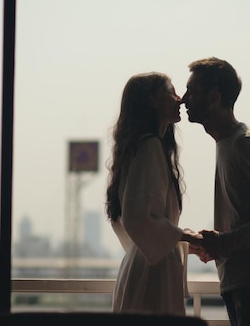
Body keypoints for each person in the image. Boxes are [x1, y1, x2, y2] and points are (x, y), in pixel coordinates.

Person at [182, 57, 250, 326]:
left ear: (214, 98)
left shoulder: (244, 143)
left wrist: (226, 243)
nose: (183, 99)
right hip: (245, 282)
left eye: (192, 91)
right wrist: (217, 244)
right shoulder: (228, 142)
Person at [105, 71, 202, 316]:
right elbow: (137, 217)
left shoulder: (141, 147)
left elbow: (131, 219)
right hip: (152, 272)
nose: (179, 99)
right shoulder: (149, 147)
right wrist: (186, 237)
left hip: (145, 264)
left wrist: (178, 238)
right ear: (152, 101)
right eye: (171, 92)